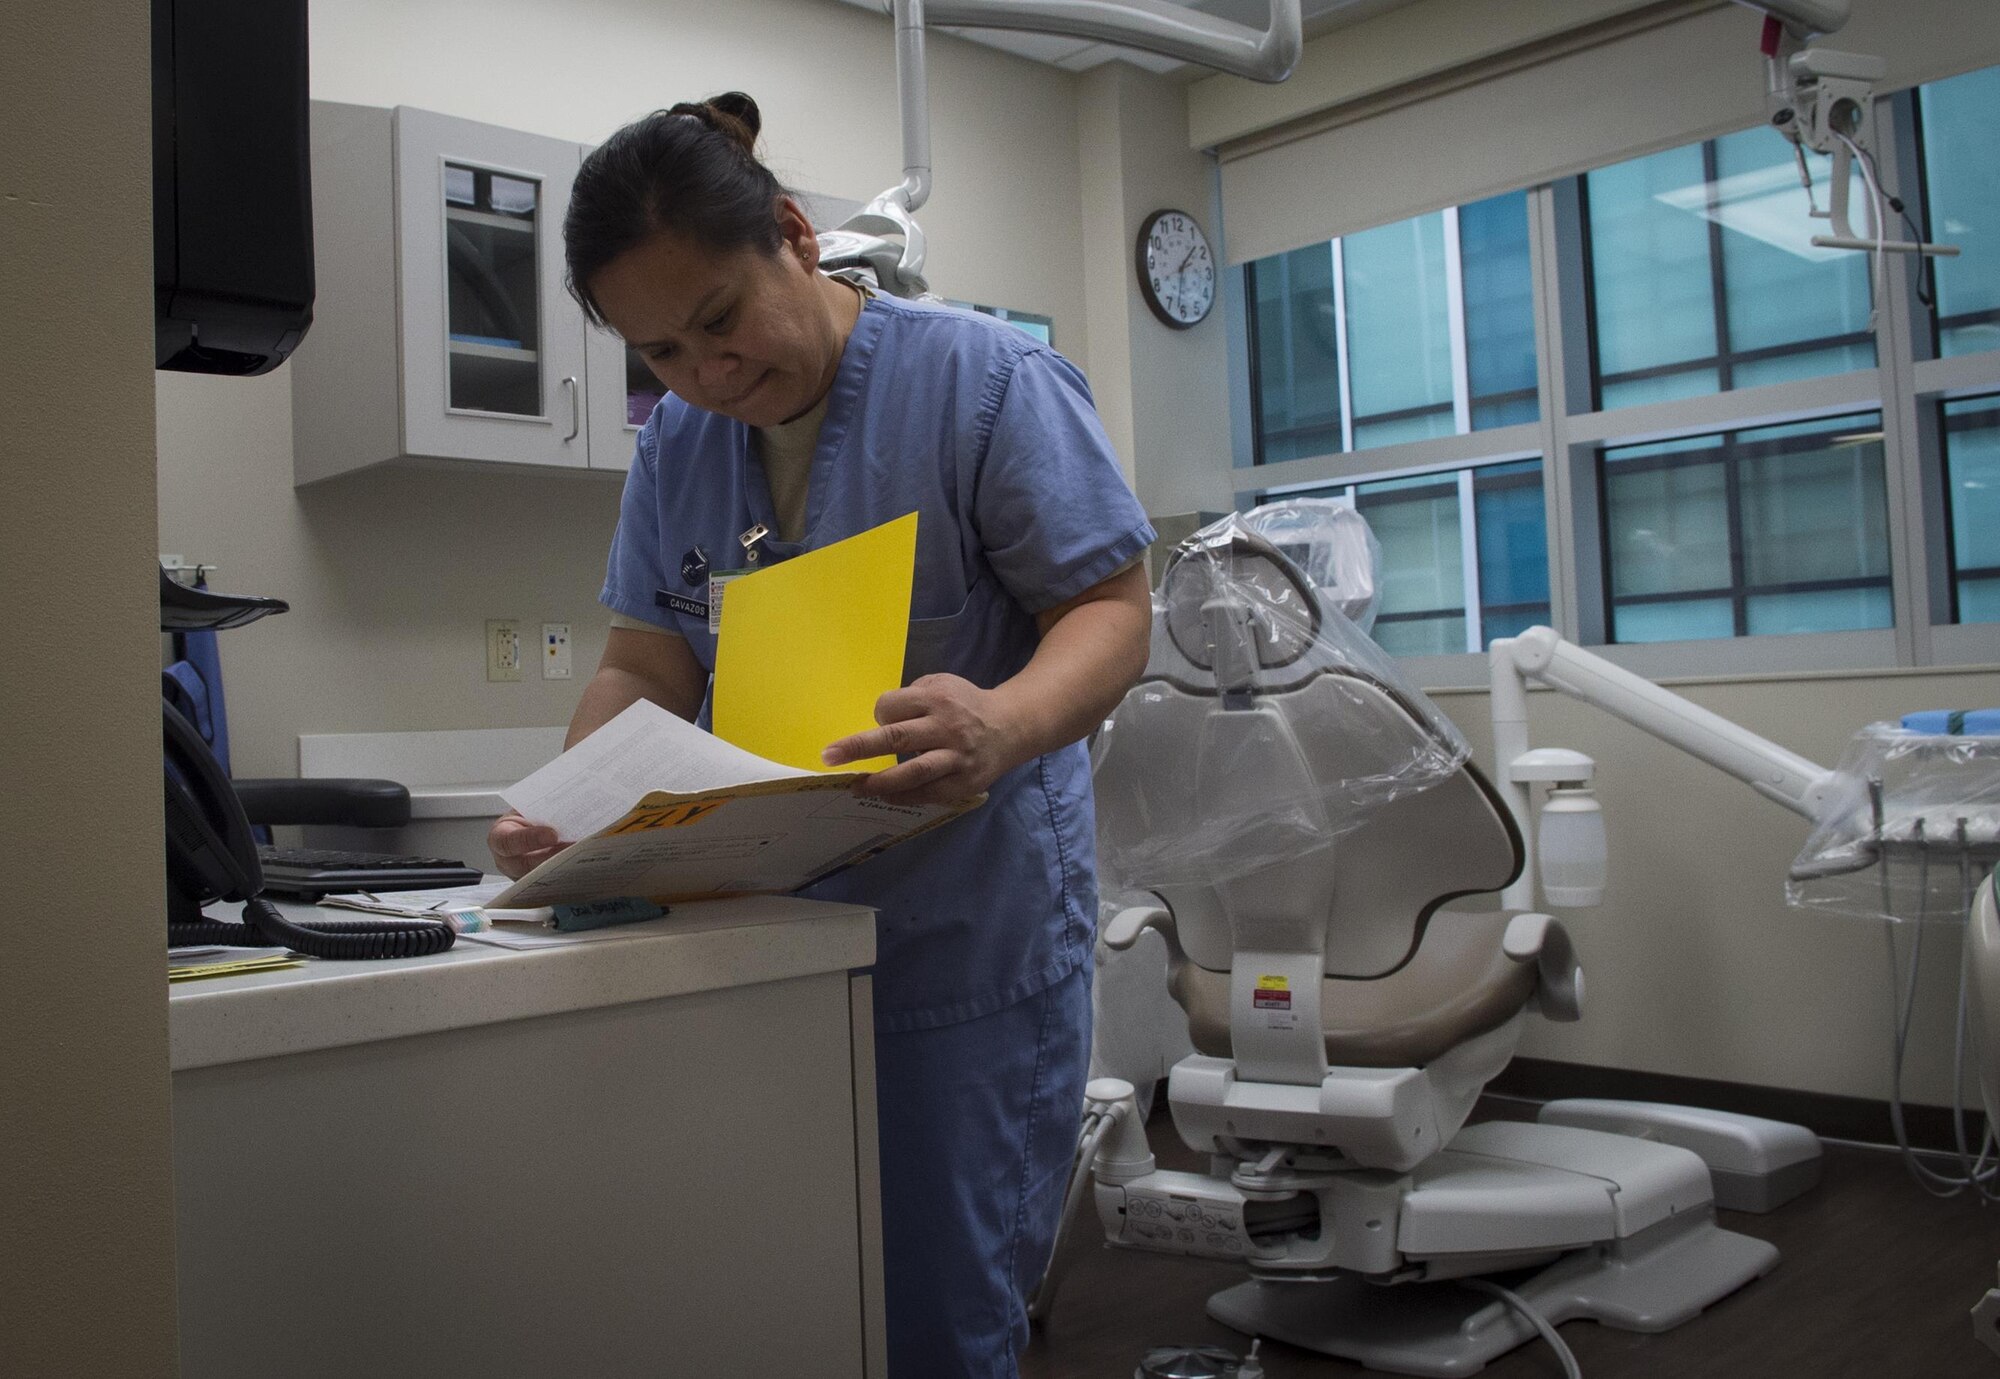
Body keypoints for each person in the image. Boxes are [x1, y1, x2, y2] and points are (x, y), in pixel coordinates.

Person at [487, 93, 1155, 1377]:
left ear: (792, 235)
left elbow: (1113, 610)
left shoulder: (982, 383)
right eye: (663, 355)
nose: (706, 375)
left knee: (936, 1310)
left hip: (961, 936)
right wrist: (566, 804)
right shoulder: (679, 443)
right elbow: (646, 657)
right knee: (785, 1279)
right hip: (767, 934)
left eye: (721, 321)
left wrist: (1002, 719)